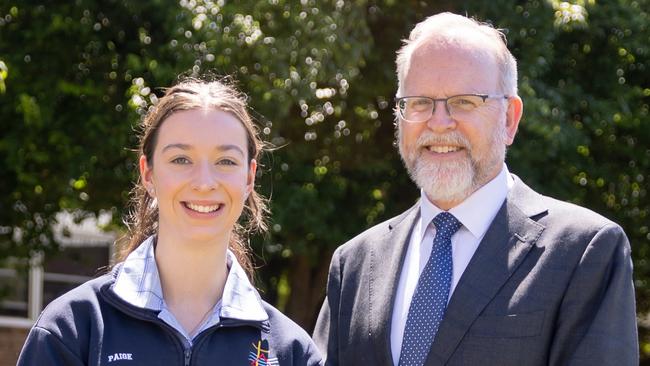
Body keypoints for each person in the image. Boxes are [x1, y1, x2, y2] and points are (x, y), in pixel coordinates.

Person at [313, 12, 638, 366]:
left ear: (510, 119)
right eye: (420, 102)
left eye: (464, 101)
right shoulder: (356, 264)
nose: (438, 123)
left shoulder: (584, 252)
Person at [18, 78, 322, 365]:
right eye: (181, 159)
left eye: (226, 161)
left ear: (249, 178)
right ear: (148, 174)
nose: (204, 182)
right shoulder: (72, 330)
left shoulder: (292, 352)